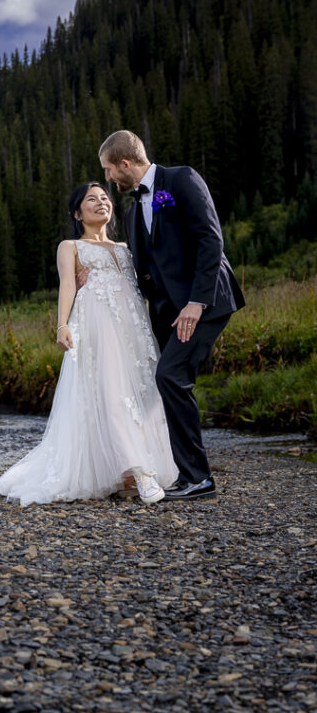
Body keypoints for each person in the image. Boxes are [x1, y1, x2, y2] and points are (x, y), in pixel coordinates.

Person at [0, 182, 177, 506]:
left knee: (143, 390)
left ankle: (125, 474)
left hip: (132, 326)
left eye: (105, 197)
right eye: (91, 199)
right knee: (111, 392)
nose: (101, 202)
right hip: (96, 323)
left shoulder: (126, 246)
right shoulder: (70, 246)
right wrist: (63, 324)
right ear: (77, 213)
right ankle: (140, 471)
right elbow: (67, 284)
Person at [98, 130, 245, 501]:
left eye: (109, 170)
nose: (108, 178)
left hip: (206, 301)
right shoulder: (132, 211)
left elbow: (211, 239)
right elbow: (144, 270)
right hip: (167, 313)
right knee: (165, 382)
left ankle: (199, 478)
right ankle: (182, 472)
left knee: (171, 376)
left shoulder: (180, 179)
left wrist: (197, 303)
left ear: (125, 163)